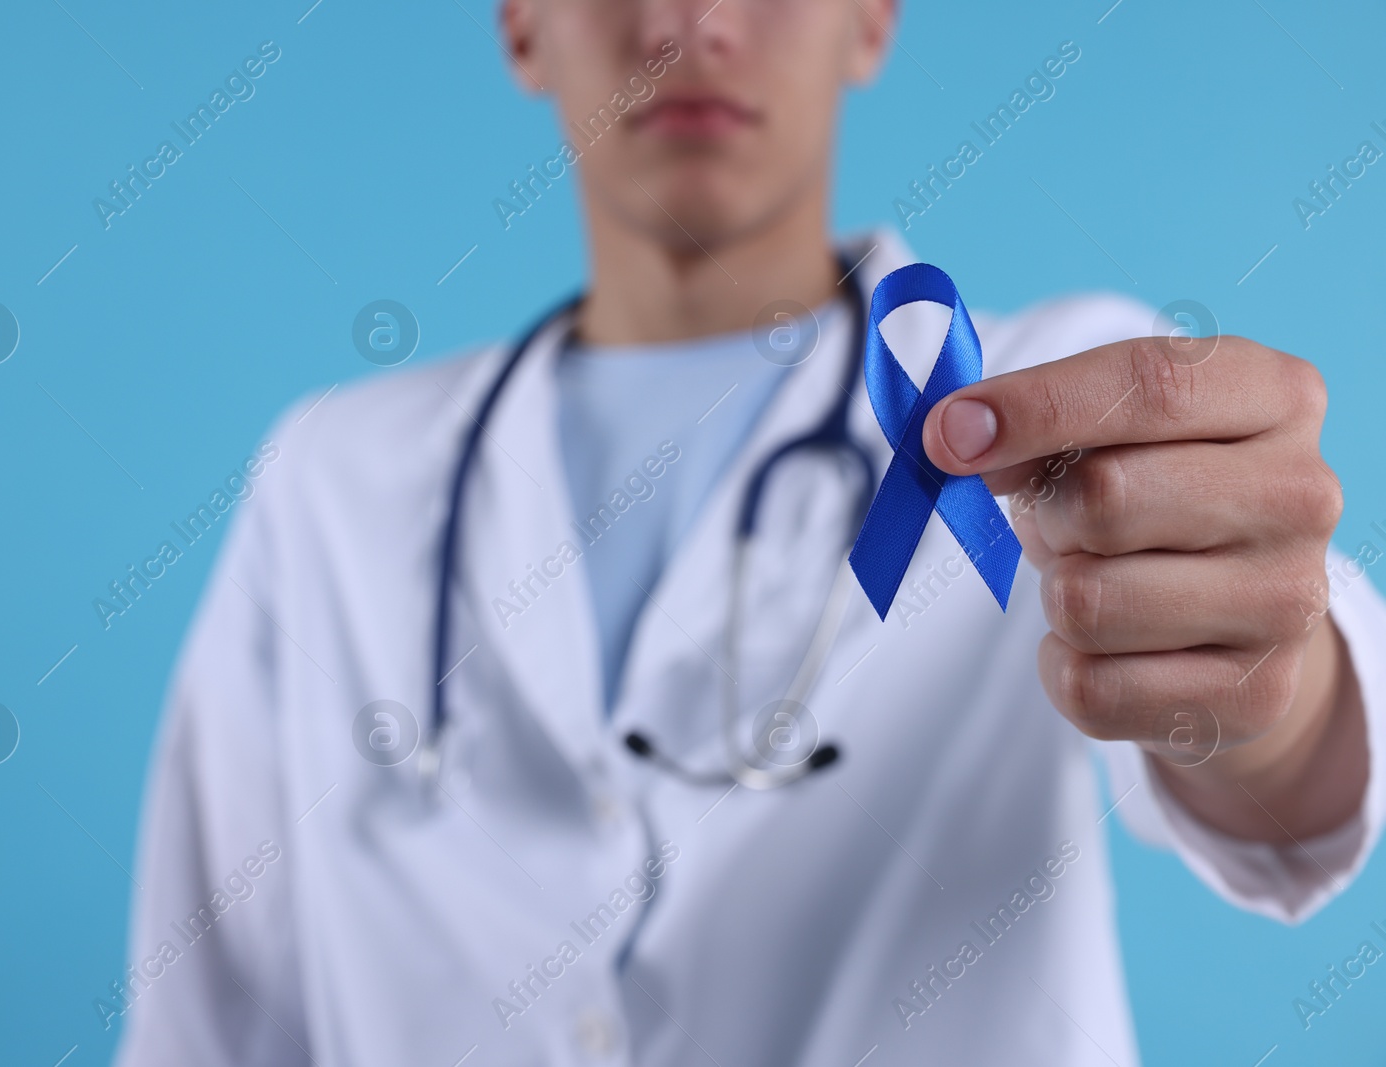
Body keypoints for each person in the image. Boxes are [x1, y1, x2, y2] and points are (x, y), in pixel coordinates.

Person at [112, 2, 1385, 1064]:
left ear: (871, 19)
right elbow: (207, 1013)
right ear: (519, 27)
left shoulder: (1051, 400)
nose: (690, 25)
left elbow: (1281, 767)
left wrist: (1266, 689)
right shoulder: (335, 477)